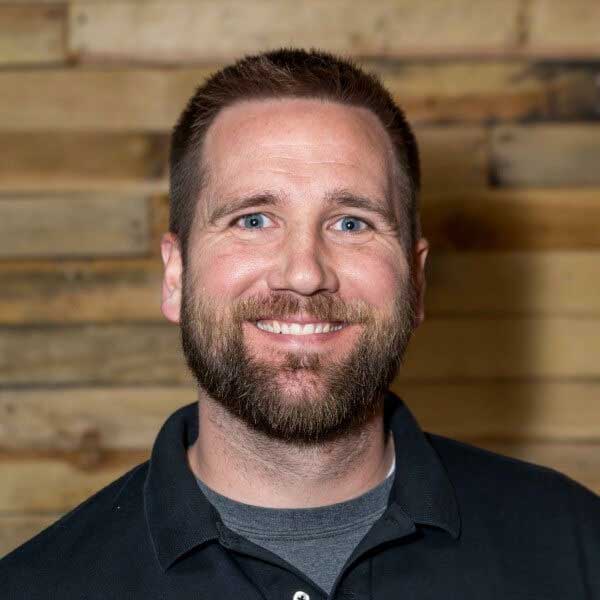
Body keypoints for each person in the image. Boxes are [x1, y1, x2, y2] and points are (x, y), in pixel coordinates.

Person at [1, 47, 598, 599]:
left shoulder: (578, 547)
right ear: (176, 276)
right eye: (254, 220)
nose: (305, 274)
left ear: (416, 281)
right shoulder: (37, 587)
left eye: (351, 223)